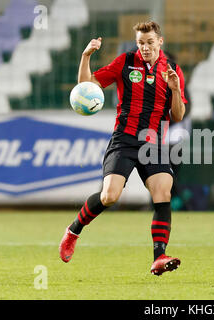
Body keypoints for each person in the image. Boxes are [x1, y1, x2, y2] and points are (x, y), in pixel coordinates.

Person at [59, 21, 188, 276]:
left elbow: (178, 114)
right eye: (141, 43)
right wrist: (86, 56)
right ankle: (73, 231)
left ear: (160, 42)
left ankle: (159, 257)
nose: (146, 47)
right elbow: (87, 86)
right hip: (124, 139)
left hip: (153, 142)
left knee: (163, 191)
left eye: (150, 42)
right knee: (109, 196)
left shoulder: (172, 70)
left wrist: (175, 90)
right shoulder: (125, 62)